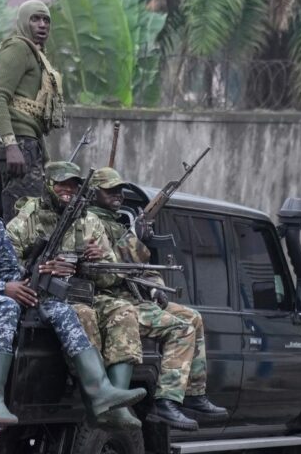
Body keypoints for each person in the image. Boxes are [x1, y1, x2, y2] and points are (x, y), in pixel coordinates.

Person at [0, 161, 145, 425]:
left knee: (57, 305)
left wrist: (28, 283)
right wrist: (3, 288)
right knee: (6, 307)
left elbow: (9, 269)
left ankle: (99, 389)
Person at [6, 161, 144, 428]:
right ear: (49, 185)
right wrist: (39, 267)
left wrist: (98, 259)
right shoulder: (28, 218)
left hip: (83, 291)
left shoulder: (89, 221)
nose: (68, 191)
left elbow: (112, 276)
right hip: (45, 296)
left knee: (124, 312)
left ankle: (117, 404)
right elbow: (4, 264)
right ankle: (95, 400)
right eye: (62, 185)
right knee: (84, 316)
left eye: (73, 185)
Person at [87, 167, 228, 430]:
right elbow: (107, 270)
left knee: (193, 317)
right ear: (94, 193)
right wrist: (136, 240)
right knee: (181, 329)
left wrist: (155, 288)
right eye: (110, 191)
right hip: (109, 300)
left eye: (119, 190)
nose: (117, 195)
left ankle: (195, 394)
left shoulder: (119, 223)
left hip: (134, 297)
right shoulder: (88, 222)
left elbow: (143, 270)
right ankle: (166, 402)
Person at [0, 0, 66, 221]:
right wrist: (11, 145)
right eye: (35, 19)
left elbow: (31, 117)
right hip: (15, 144)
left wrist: (42, 155)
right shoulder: (18, 48)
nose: (42, 25)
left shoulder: (35, 55)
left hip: (23, 143)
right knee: (24, 221)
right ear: (22, 21)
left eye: (46, 20)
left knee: (1, 220)